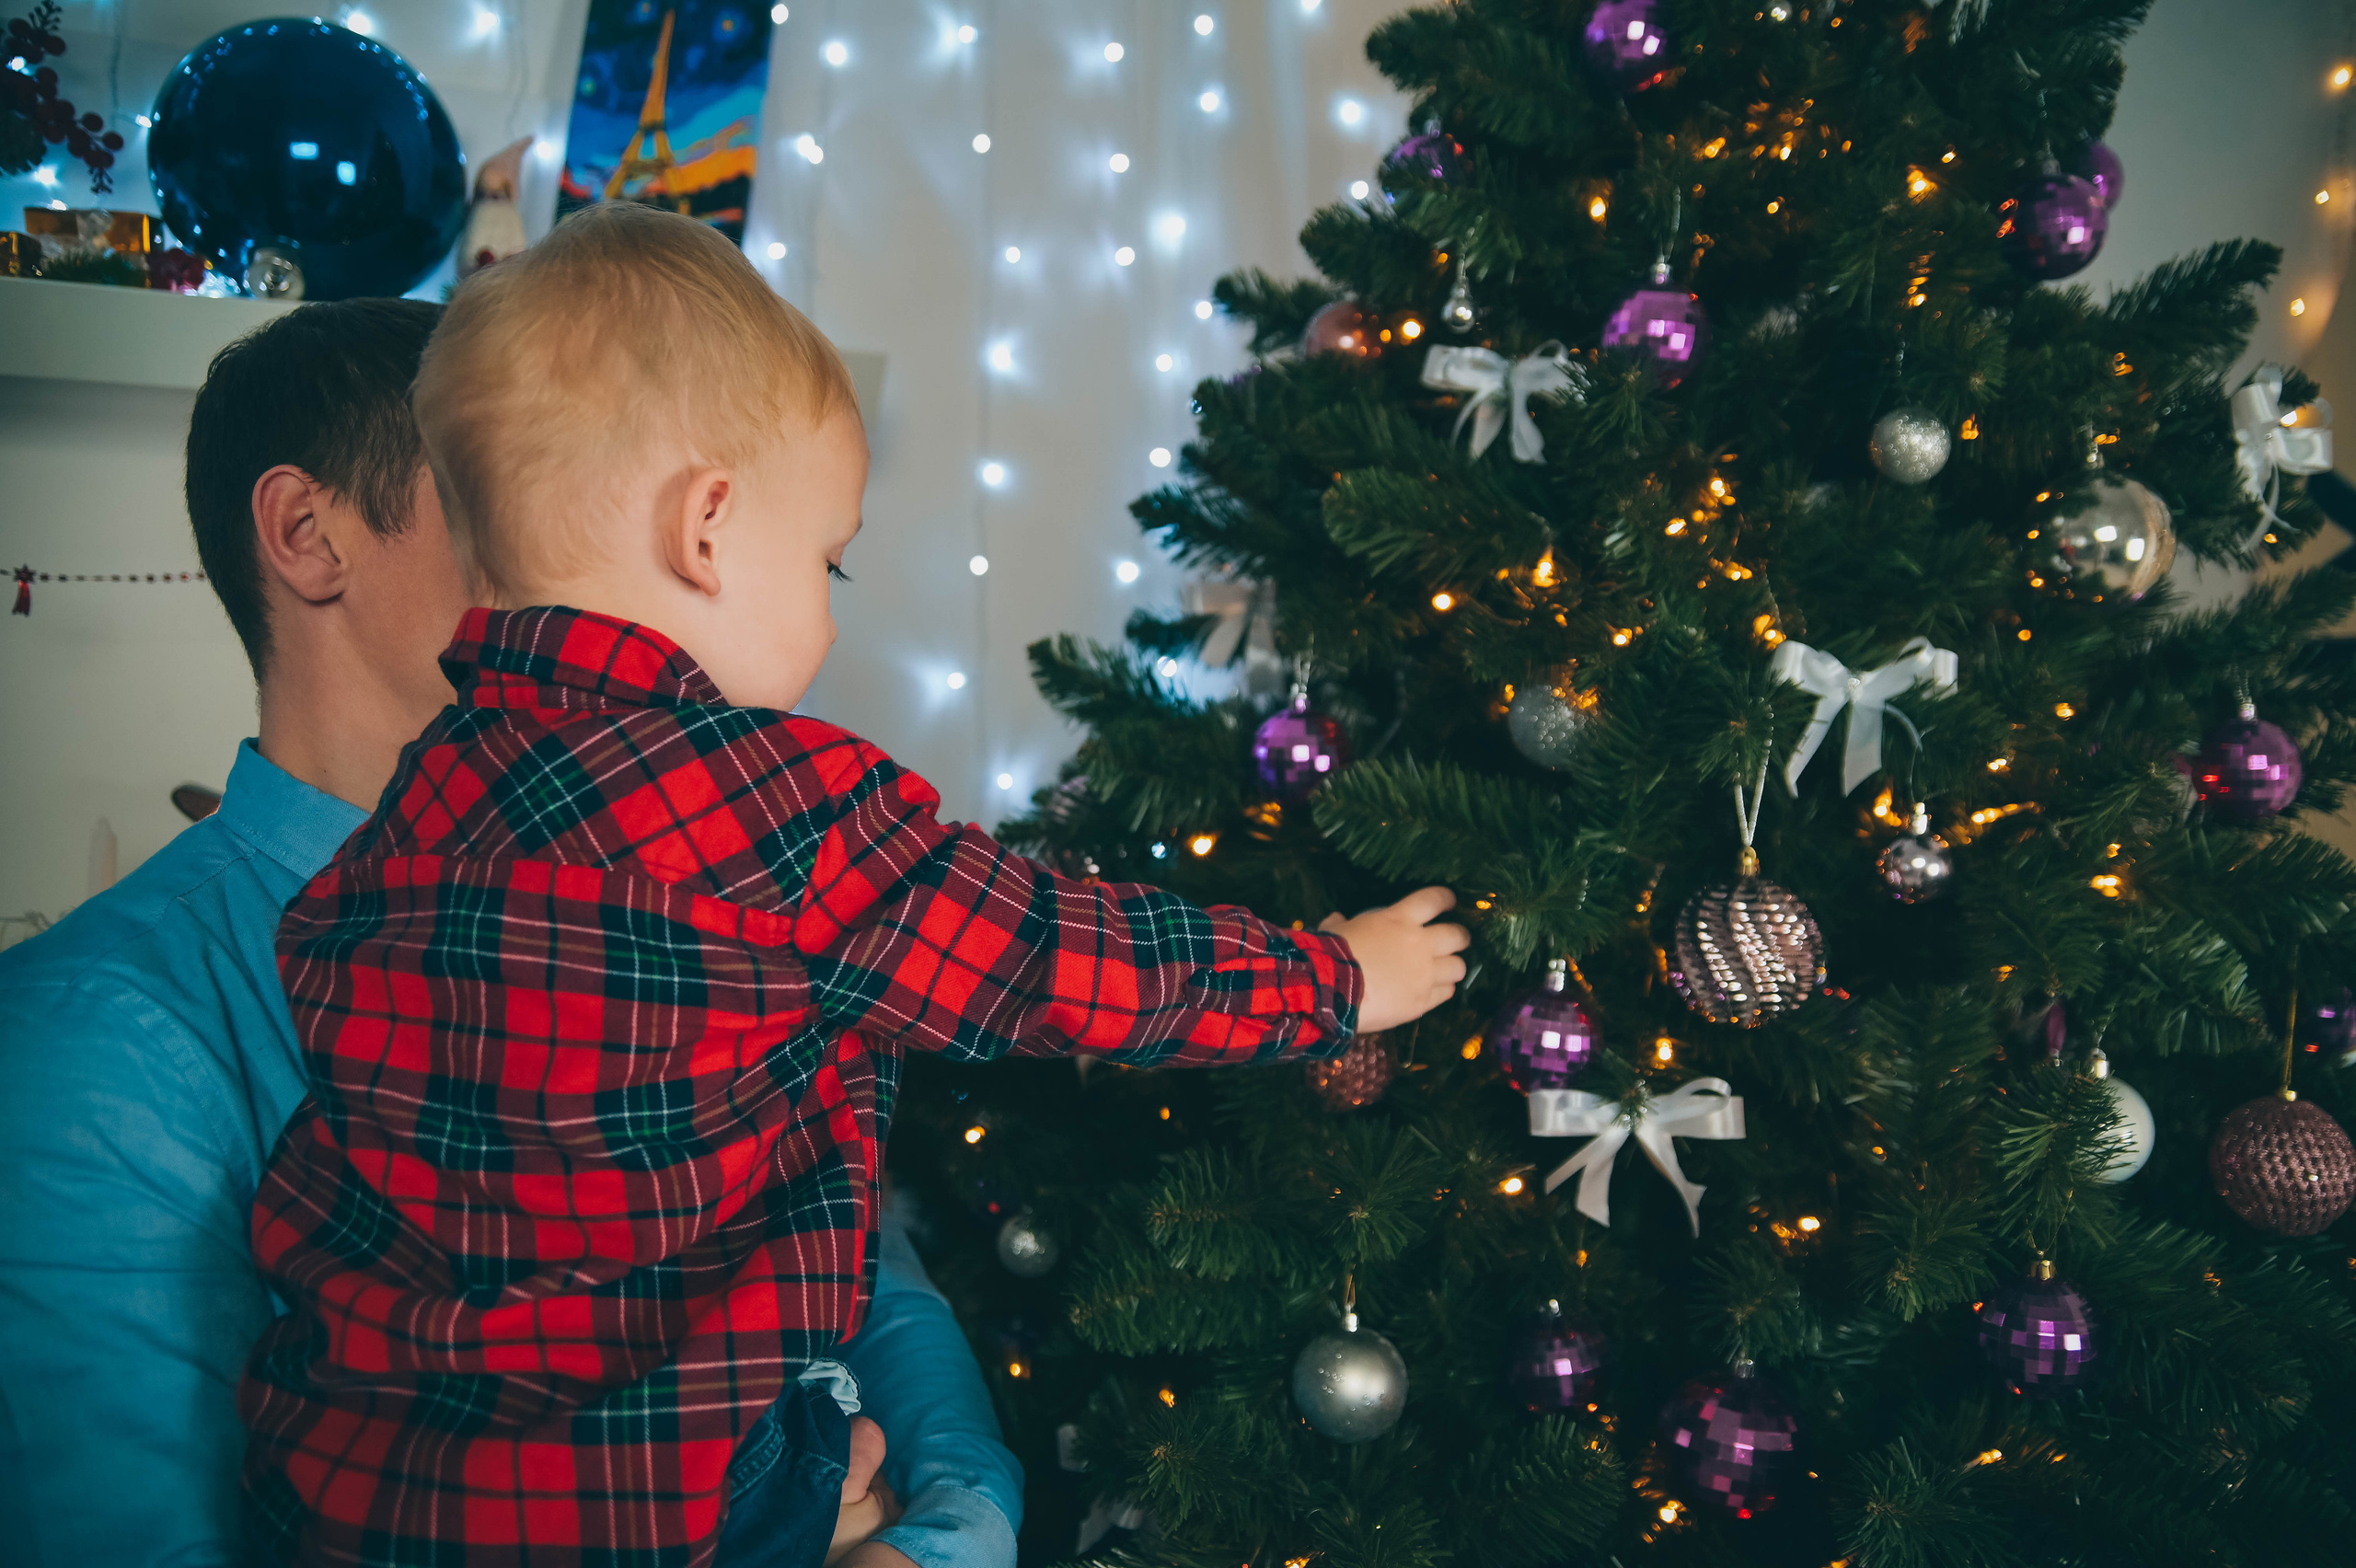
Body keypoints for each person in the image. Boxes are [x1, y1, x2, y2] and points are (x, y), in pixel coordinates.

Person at [240, 202, 1471, 1565]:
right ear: (706, 528)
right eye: (829, 557)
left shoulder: (405, 821)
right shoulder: (786, 808)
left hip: (371, 1488)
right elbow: (1067, 965)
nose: (832, 604)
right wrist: (1336, 979)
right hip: (678, 1489)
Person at [0, 298, 1020, 1568]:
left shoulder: (717, 878)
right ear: (311, 538)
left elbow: (879, 1283)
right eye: (502, 508)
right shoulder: (92, 1040)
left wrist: (946, 1541)